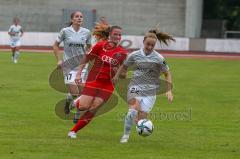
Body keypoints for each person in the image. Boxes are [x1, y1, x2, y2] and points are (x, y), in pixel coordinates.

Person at [114, 29, 175, 143]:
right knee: (132, 110)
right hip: (135, 87)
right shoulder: (134, 55)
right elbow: (124, 66)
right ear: (143, 42)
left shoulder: (159, 58)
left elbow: (167, 74)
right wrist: (118, 75)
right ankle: (125, 136)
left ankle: (139, 123)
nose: (150, 47)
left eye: (152, 45)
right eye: (148, 44)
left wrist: (169, 90)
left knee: (140, 120)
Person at [67, 24, 128, 139]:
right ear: (110, 34)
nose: (118, 37)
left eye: (120, 35)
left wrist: (120, 74)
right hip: (94, 80)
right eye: (115, 34)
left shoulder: (123, 53)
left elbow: (124, 73)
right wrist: (79, 73)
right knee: (84, 107)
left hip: (108, 85)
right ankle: (77, 102)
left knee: (94, 108)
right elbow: (86, 58)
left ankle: (73, 132)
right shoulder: (100, 45)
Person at [53, 11, 92, 117]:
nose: (79, 18)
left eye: (81, 17)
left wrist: (89, 54)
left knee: (82, 93)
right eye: (77, 16)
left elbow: (89, 47)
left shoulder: (87, 32)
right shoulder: (65, 31)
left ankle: (77, 114)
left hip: (82, 67)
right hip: (69, 66)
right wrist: (59, 60)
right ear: (72, 19)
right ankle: (69, 102)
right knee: (75, 93)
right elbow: (55, 46)